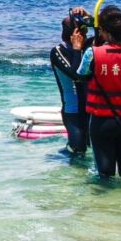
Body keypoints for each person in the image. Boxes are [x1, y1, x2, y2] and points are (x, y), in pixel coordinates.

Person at [76, 5, 121, 178]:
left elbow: (81, 75)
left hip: (103, 121)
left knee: (105, 174)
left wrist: (78, 50)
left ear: (102, 30)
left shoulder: (93, 53)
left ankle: (106, 205)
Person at [50, 8, 93, 158]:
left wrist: (89, 16)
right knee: (79, 150)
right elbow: (76, 75)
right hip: (72, 110)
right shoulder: (57, 51)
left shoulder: (88, 46)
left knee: (92, 148)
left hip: (91, 108)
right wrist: (76, 49)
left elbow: (104, 32)